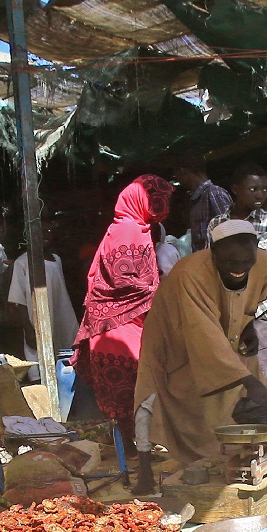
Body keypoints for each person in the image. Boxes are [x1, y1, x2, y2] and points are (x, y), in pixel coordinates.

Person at [134, 220, 267, 472]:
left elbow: (253, 298)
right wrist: (250, 382)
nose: (239, 269)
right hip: (176, 337)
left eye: (245, 262)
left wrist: (249, 325)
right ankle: (153, 470)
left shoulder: (261, 262)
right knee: (167, 399)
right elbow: (202, 332)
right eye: (230, 263)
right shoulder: (190, 274)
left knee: (247, 392)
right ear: (212, 253)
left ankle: (260, 451)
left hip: (229, 333)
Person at [74, 176, 174, 445]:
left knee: (133, 392)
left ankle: (133, 450)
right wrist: (165, 294)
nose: (161, 205)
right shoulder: (129, 230)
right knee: (129, 392)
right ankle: (133, 454)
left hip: (122, 323)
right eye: (155, 199)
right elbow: (125, 282)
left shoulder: (133, 228)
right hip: (119, 327)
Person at [211, 162, 267, 395]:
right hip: (228, 308)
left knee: (263, 370)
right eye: (253, 189)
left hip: (264, 308)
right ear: (235, 189)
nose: (260, 194)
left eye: (264, 189)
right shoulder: (218, 225)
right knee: (230, 370)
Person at [6, 242, 78, 368]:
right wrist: (28, 328)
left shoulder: (56, 259)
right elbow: (18, 299)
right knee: (40, 362)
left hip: (61, 317)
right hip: (37, 321)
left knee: (64, 359)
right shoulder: (22, 262)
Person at [176, 157, 232, 252]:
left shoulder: (214, 193)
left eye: (176, 175)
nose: (177, 179)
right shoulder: (196, 198)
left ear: (183, 172)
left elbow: (231, 230)